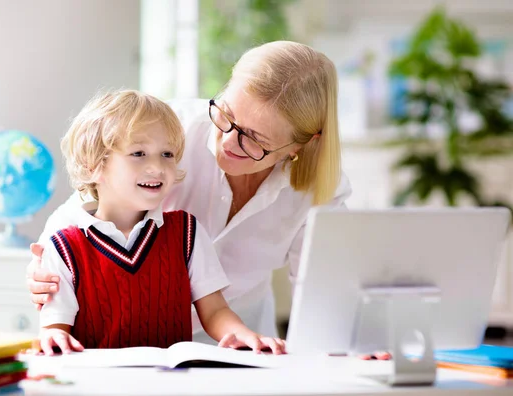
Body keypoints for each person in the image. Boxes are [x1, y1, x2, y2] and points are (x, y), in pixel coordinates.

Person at [28, 40, 352, 345]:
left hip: (241, 333)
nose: (226, 141)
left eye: (255, 139)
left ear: (303, 143)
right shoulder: (164, 132)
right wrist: (49, 270)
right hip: (123, 338)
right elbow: (86, 208)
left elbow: (326, 298)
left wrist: (349, 351)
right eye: (227, 114)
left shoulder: (321, 187)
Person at [38, 89, 286, 356]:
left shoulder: (187, 233)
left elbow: (215, 311)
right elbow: (55, 327)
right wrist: (51, 336)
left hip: (170, 385)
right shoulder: (63, 247)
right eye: (139, 153)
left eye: (167, 154)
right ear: (93, 166)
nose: (157, 167)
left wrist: (245, 335)